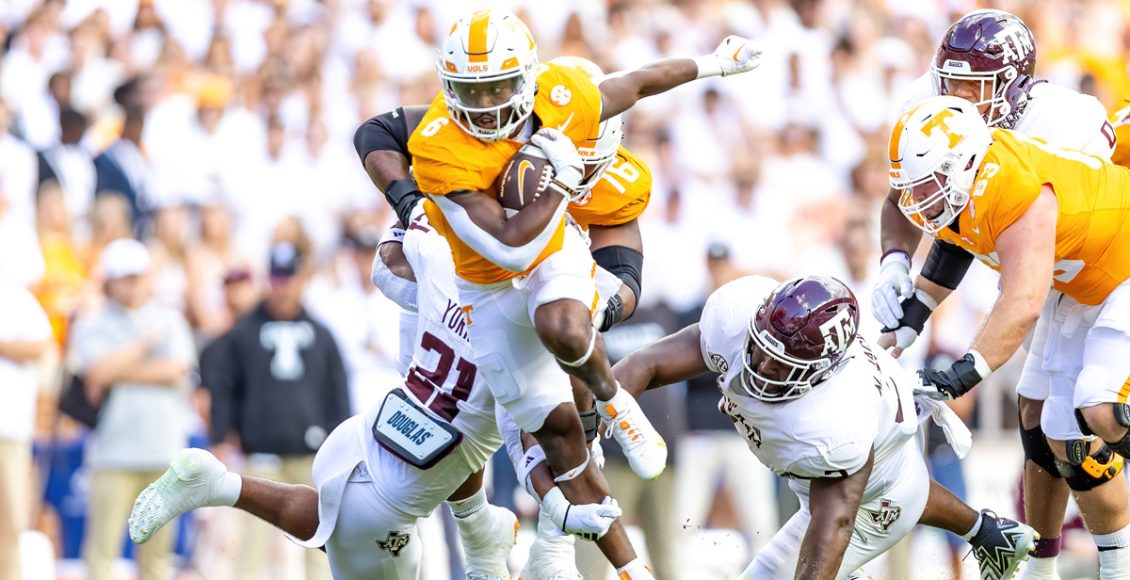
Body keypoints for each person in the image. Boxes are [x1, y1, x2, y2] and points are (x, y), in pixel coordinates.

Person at [368, 10, 763, 575]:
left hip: (550, 267)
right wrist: (413, 224)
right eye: (472, 92)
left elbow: (637, 86)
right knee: (529, 444)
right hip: (482, 298)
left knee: (568, 347)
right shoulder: (440, 147)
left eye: (498, 88)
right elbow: (501, 248)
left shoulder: (592, 142)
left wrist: (713, 65)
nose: (484, 107)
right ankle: (512, 538)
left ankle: (614, 427)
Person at [130, 209, 622, 580]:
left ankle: (478, 531)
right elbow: (536, 447)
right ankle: (217, 485)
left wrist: (424, 205)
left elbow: (388, 263)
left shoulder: (445, 278)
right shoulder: (530, 355)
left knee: (341, 524)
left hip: (368, 433)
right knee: (360, 534)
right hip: (399, 481)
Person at [871, 10, 1118, 577]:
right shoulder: (931, 107)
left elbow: (1003, 239)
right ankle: (1043, 563)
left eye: (972, 86)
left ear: (1014, 85)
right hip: (1051, 272)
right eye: (949, 82)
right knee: (1037, 414)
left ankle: (1095, 560)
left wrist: (958, 361)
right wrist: (894, 269)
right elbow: (922, 202)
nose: (956, 97)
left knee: (1083, 415)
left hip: (1092, 262)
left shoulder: (1062, 120)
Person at [613, 273, 1037, 580]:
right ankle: (989, 532)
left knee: (864, 512)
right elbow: (644, 364)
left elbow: (832, 524)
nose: (760, 367)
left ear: (822, 372)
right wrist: (592, 418)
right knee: (889, 483)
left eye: (780, 364)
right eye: (760, 348)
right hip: (882, 442)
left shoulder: (835, 424)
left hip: (872, 487)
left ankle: (984, 534)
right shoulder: (737, 314)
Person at [202, 240, 349, 580]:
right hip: (261, 453)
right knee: (250, 542)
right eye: (277, 276)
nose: (283, 286)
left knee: (321, 539)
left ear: (302, 279)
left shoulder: (321, 334)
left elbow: (336, 391)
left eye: (289, 276)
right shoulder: (243, 334)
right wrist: (222, 434)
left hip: (312, 454)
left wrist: (341, 445)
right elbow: (223, 385)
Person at [69, 238, 196, 580]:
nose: (133, 283)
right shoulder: (94, 321)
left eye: (138, 275)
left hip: (161, 451)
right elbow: (95, 372)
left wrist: (119, 370)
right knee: (102, 553)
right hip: (113, 452)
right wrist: (144, 346)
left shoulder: (168, 318)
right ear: (109, 280)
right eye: (125, 276)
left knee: (156, 557)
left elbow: (177, 370)